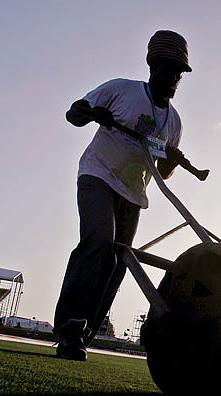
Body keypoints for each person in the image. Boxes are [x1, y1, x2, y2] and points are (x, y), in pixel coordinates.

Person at [53, 30, 193, 361]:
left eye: (179, 73)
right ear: (152, 66)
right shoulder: (121, 90)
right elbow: (74, 113)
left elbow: (162, 171)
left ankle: (85, 334)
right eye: (168, 69)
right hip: (98, 175)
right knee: (99, 241)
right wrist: (89, 114)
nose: (173, 79)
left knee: (118, 261)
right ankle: (69, 329)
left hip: (133, 194)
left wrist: (172, 161)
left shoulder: (173, 123)